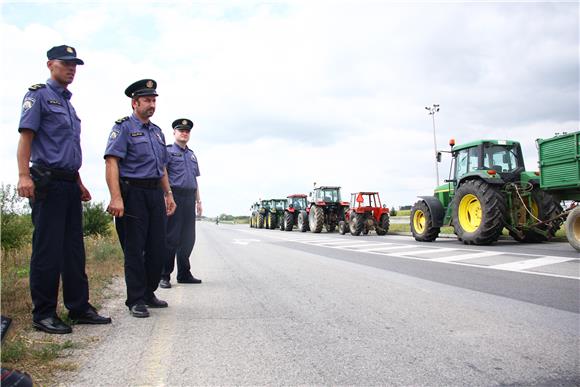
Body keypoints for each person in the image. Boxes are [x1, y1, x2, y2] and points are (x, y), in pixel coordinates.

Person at [16, 45, 111, 334]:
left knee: (73, 250)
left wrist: (79, 182)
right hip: (47, 182)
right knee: (48, 250)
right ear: (50, 65)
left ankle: (79, 307)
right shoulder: (38, 96)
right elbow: (26, 138)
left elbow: (67, 149)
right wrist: (23, 175)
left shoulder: (68, 104)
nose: (71, 69)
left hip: (69, 182)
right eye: (65, 63)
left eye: (75, 65)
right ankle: (43, 313)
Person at [104, 79, 176, 318]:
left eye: (154, 100)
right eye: (147, 100)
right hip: (132, 193)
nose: (151, 104)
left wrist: (168, 194)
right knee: (134, 249)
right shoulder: (123, 128)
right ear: (135, 103)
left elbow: (162, 166)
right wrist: (116, 197)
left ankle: (148, 292)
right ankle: (135, 299)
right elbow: (112, 161)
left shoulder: (157, 132)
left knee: (158, 247)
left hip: (154, 192)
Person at [159, 119, 202, 289]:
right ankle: (164, 275)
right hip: (174, 197)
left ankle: (184, 273)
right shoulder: (168, 152)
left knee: (188, 239)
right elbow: (163, 175)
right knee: (171, 238)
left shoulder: (192, 155)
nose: (184, 133)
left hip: (189, 198)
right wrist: (166, 196)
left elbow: (195, 180)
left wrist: (199, 201)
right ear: (174, 133)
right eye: (181, 130)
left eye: (187, 131)